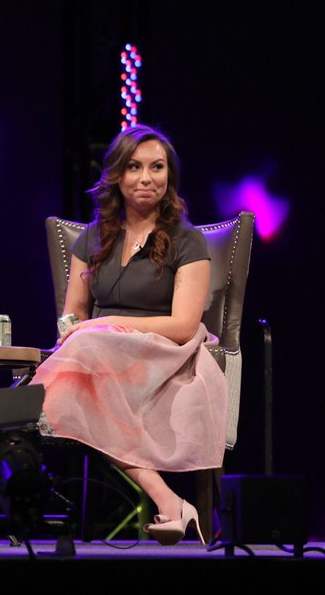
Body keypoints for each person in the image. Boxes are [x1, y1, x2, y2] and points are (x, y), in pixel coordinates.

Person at [33, 124, 226, 545]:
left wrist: (100, 326)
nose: (146, 178)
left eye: (157, 167)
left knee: (66, 378)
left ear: (169, 175)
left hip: (163, 352)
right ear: (117, 175)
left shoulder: (187, 240)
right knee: (79, 359)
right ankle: (169, 501)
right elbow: (72, 315)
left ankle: (3, 461)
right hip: (99, 353)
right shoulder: (94, 237)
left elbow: (184, 326)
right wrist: (72, 334)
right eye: (134, 167)